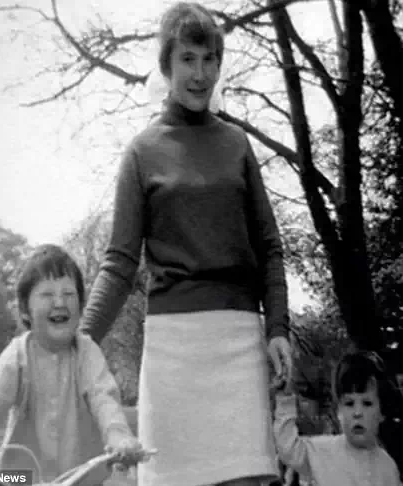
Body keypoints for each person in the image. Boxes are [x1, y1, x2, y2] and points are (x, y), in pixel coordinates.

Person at [81, 3, 292, 485]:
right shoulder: (141, 151)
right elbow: (118, 264)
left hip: (239, 342)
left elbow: (269, 247)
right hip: (171, 351)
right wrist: (80, 342)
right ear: (166, 66)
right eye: (187, 59)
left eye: (209, 59)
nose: (200, 74)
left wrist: (278, 328)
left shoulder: (237, 144)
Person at [0, 244, 148, 485]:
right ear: (25, 311)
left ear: (81, 306)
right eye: (47, 295)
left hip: (82, 479)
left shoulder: (87, 352)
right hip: (19, 479)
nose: (59, 302)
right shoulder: (18, 354)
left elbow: (104, 398)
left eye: (69, 294)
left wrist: (118, 436)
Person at [273, 350, 402, 485]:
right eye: (349, 403)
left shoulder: (388, 468)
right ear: (338, 410)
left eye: (367, 403)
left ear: (381, 412)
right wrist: (285, 397)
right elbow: (288, 449)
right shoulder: (322, 451)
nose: (357, 413)